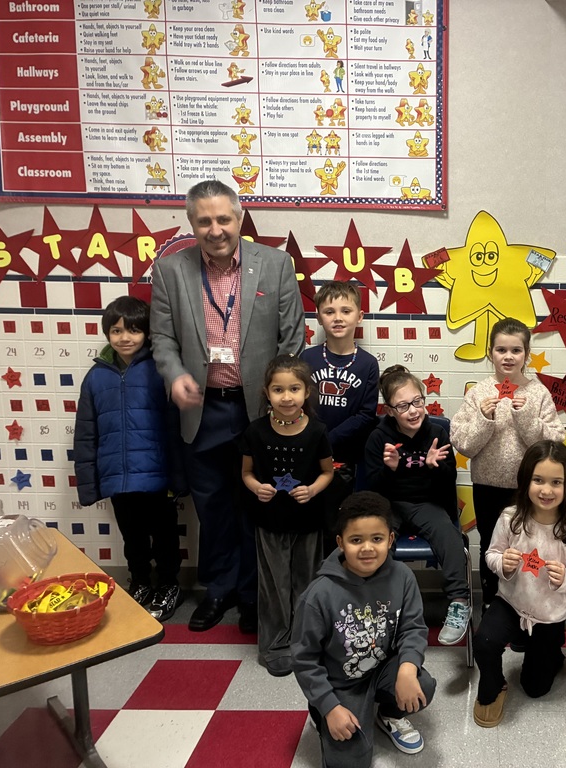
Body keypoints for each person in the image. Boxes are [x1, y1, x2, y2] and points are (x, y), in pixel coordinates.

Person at [150, 179, 305, 632]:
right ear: (191, 223)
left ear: (239, 218)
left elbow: (291, 339)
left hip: (260, 410)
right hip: (202, 409)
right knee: (213, 505)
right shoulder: (171, 270)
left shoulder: (276, 265)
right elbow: (162, 337)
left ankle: (255, 594)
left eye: (223, 218)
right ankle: (217, 589)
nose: (215, 229)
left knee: (259, 501)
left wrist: (284, 400)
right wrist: (175, 373)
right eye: (204, 221)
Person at [293, 491, 436, 767]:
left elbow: (413, 628)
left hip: (381, 669)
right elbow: (304, 660)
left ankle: (388, 714)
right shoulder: (319, 596)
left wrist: (407, 669)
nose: (367, 548)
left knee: (423, 685)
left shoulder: (403, 577)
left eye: (377, 539)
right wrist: (330, 707)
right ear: (340, 543)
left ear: (391, 539)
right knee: (350, 761)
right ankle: (320, 712)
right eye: (356, 540)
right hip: (340, 684)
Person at [74, 296, 183, 621]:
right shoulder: (96, 377)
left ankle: (167, 584)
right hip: (118, 478)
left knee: (164, 535)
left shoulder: (161, 370)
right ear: (107, 333)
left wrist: (179, 476)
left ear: (147, 334)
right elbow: (86, 432)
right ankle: (139, 581)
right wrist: (89, 483)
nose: (125, 337)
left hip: (157, 476)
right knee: (132, 537)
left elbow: (175, 426)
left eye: (134, 330)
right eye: (117, 330)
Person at [472, 441, 566, 728]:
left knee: (535, 688)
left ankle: (550, 653)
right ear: (526, 480)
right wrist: (503, 563)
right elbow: (491, 554)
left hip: (548, 615)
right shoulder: (510, 518)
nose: (546, 490)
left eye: (556, 482)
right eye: (538, 480)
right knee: (485, 642)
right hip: (511, 603)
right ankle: (494, 686)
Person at [450, 318, 565, 608]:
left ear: (526, 354)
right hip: (487, 486)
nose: (508, 356)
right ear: (490, 353)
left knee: (529, 545)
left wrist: (526, 418)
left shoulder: (537, 393)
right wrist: (484, 418)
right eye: (501, 350)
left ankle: (527, 607)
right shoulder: (478, 392)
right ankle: (492, 605)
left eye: (516, 350)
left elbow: (554, 441)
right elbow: (462, 442)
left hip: (529, 489)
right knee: (492, 545)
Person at [239, 355, 334, 676]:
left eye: (294, 389)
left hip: (308, 521)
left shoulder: (318, 431)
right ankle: (274, 645)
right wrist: (256, 488)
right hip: (270, 521)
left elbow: (327, 473)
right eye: (278, 390)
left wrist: (313, 490)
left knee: (307, 583)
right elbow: (247, 473)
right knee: (273, 584)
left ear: (307, 392)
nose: (287, 396)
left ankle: (307, 642)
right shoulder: (255, 432)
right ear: (267, 392)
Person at [364, 365, 471, 646]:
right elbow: (373, 488)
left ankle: (459, 603)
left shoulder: (437, 432)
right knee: (374, 538)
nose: (413, 410)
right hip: (390, 504)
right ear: (390, 411)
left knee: (449, 535)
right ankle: (378, 608)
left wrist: (436, 467)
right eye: (403, 406)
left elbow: (448, 483)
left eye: (417, 401)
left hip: (426, 503)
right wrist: (390, 469)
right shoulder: (379, 438)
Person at [299, 280, 379, 544]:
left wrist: (327, 442)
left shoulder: (368, 364)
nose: (338, 318)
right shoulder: (307, 359)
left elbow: (366, 415)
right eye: (329, 311)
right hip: (308, 455)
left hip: (347, 460)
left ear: (359, 316)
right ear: (319, 318)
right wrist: (314, 443)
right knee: (310, 523)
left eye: (346, 311)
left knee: (340, 524)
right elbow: (299, 407)